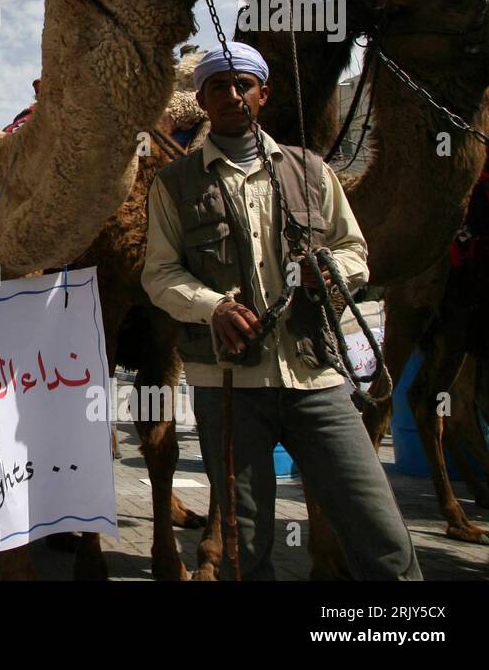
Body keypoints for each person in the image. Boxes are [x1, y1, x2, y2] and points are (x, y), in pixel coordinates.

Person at [141, 42, 421, 580]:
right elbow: (160, 273)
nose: (231, 95)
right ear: (201, 99)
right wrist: (213, 306)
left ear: (262, 93)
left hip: (316, 379)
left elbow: (354, 250)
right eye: (217, 86)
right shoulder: (174, 185)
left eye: (241, 83)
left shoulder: (311, 170)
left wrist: (332, 271)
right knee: (244, 550)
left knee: (380, 531)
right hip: (227, 387)